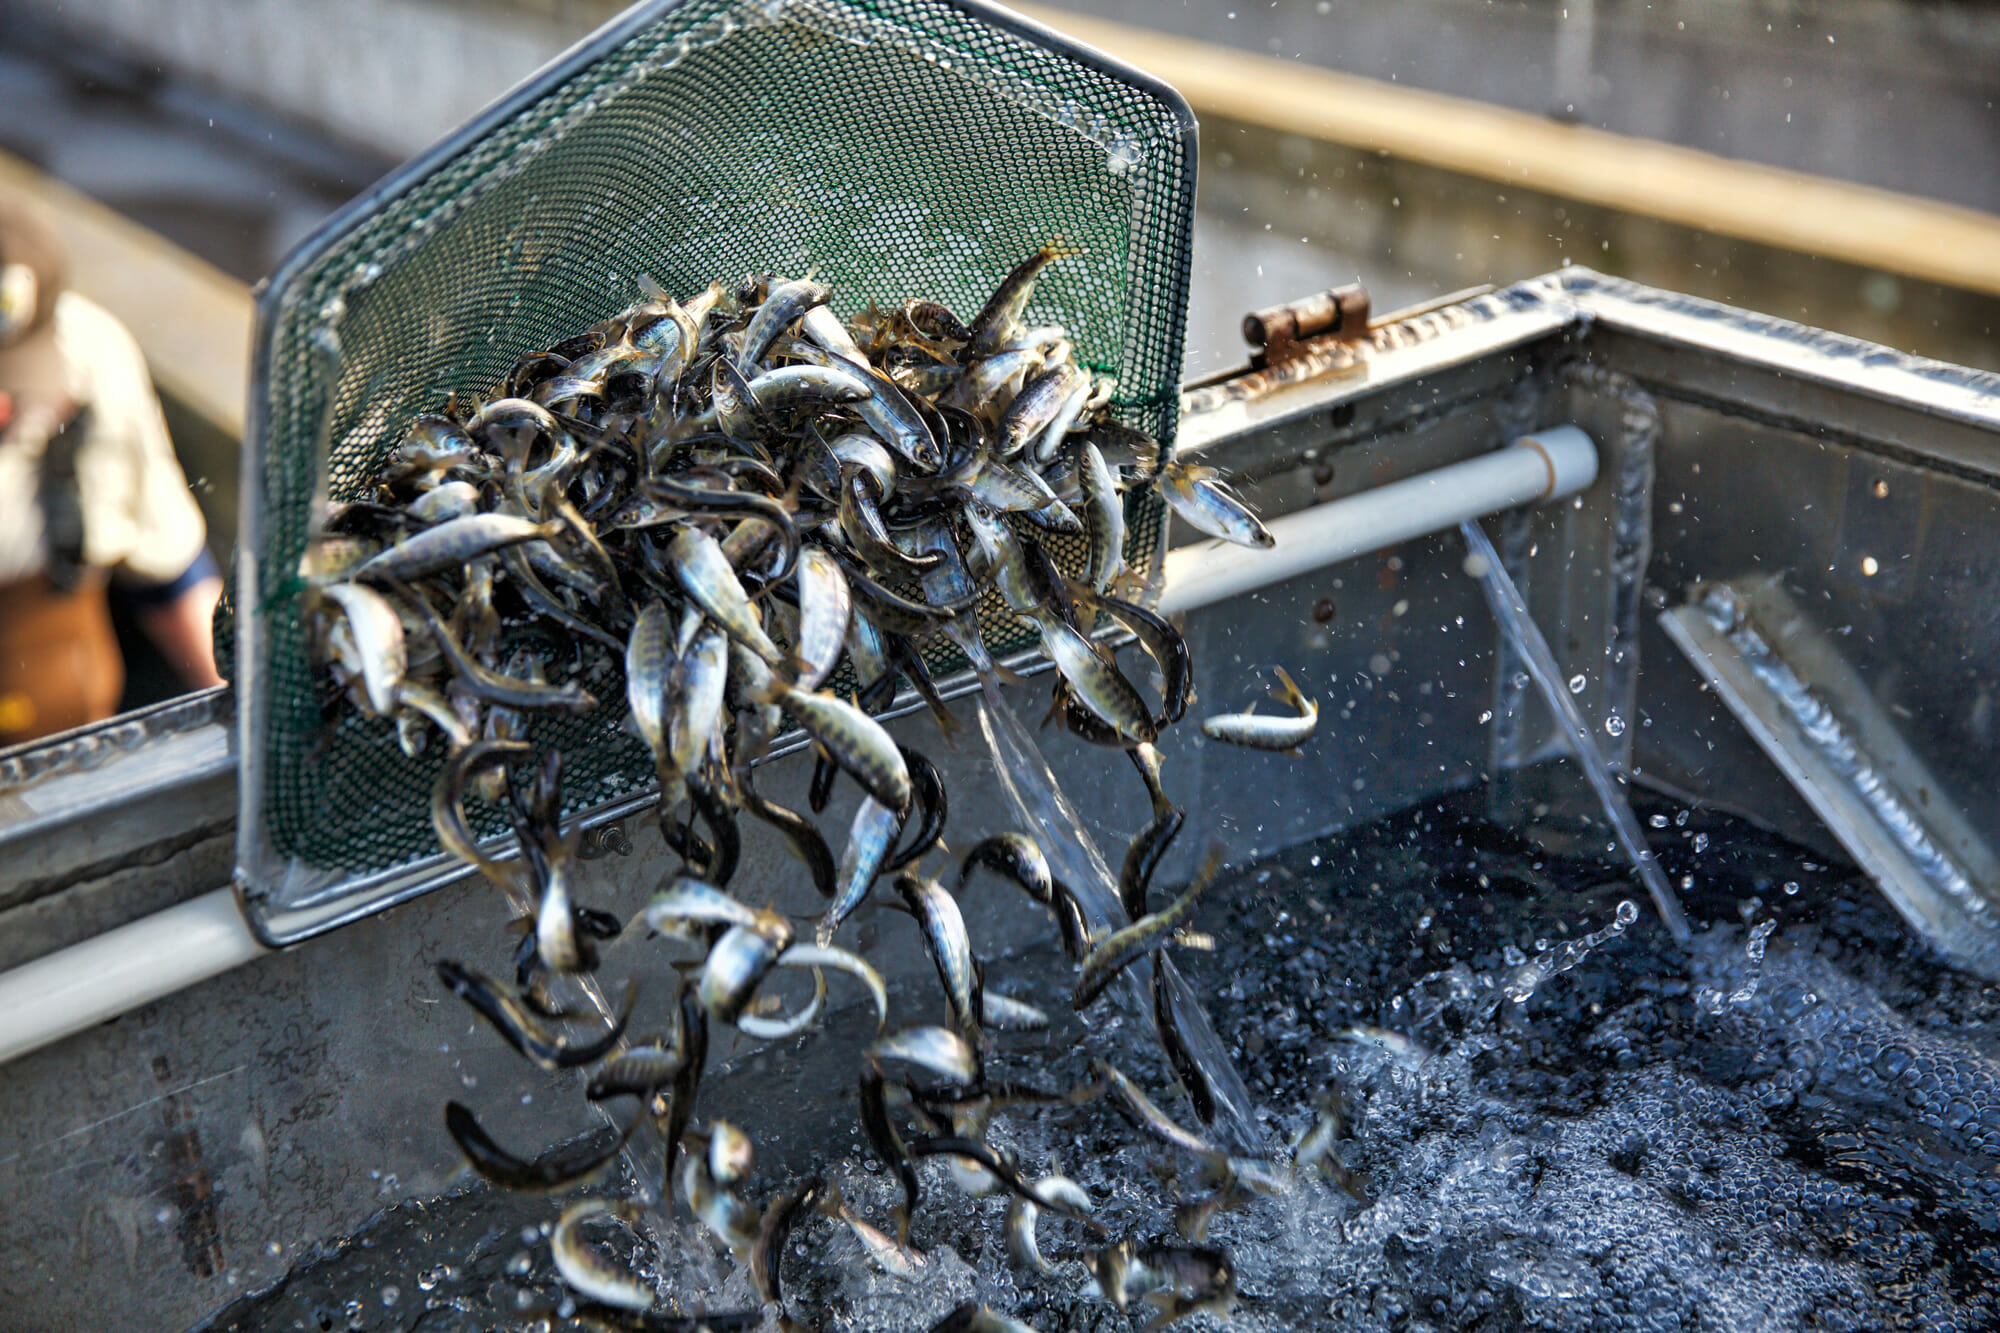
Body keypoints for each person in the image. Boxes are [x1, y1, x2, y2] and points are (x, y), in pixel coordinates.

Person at [0, 195, 223, 746]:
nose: (8, 406)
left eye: (14, 377)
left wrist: (238, 697)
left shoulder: (90, 357)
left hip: (68, 725)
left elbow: (168, 566)